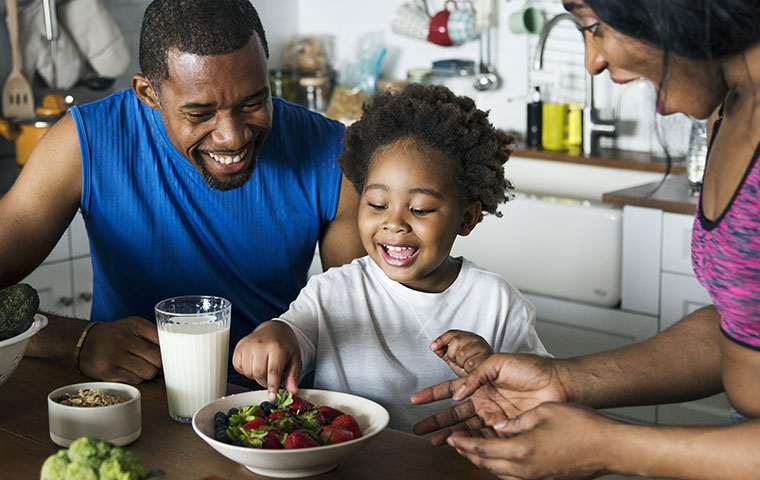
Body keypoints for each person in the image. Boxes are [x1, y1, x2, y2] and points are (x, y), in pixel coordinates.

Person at [411, 0, 760, 478]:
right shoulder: (732, 110)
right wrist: (564, 380)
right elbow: (740, 323)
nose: (592, 61)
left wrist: (610, 446)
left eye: (595, 27)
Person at [0, 0, 365, 385]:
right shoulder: (84, 143)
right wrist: (75, 340)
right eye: (200, 113)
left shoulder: (333, 154)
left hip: (272, 410)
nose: (233, 136)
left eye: (254, 102)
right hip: (140, 404)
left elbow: (364, 318)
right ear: (148, 93)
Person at [231, 84, 550, 432]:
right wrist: (272, 335)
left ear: (466, 218)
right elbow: (293, 333)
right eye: (377, 205)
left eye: (420, 209)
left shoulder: (497, 304)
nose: (394, 223)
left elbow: (543, 401)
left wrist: (491, 367)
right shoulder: (334, 291)